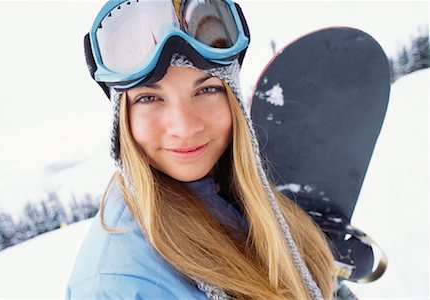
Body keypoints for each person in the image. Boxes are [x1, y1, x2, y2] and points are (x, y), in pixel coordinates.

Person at [66, 0, 337, 299]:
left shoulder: (231, 190)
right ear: (123, 118)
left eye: (206, 90)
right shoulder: (116, 286)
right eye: (149, 98)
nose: (184, 128)